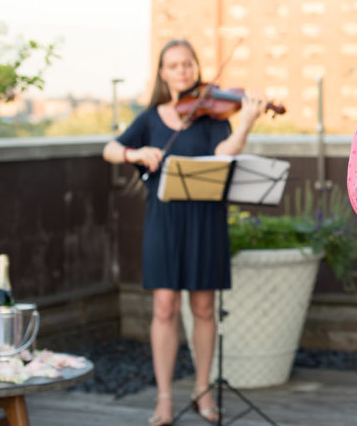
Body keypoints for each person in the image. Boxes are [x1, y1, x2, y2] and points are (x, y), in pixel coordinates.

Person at [102, 39, 266, 425]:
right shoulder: (150, 118)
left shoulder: (213, 116)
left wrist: (245, 123)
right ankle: (163, 397)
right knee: (164, 307)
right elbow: (110, 148)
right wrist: (135, 154)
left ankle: (202, 389)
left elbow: (226, 153)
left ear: (196, 67)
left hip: (205, 218)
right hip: (164, 219)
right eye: (173, 65)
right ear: (163, 73)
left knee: (204, 307)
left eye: (188, 64)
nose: (182, 71)